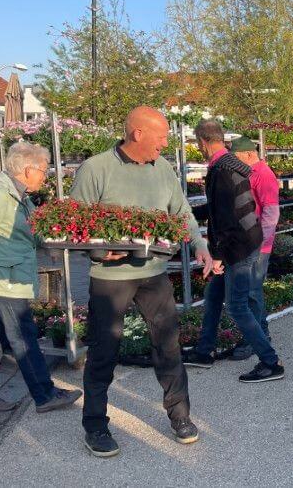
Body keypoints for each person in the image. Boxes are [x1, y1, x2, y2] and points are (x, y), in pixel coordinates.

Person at [70, 106, 213, 458]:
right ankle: (96, 426)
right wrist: (101, 253)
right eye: (161, 136)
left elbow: (181, 212)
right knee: (104, 351)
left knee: (168, 346)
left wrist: (201, 247)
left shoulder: (163, 168)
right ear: (137, 134)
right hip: (110, 279)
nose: (166, 143)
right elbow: (74, 225)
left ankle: (180, 416)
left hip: (153, 274)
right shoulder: (96, 168)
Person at [0, 143, 83, 415]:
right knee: (23, 336)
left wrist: (53, 245)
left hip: (8, 276)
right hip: (3, 278)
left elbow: (32, 231)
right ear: (28, 170)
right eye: (44, 171)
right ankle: (45, 394)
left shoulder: (19, 196)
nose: (45, 177)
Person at [182, 121, 284, 384]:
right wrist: (188, 214)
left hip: (238, 247)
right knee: (214, 295)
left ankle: (270, 362)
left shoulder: (221, 170)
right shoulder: (231, 165)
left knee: (238, 305)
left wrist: (216, 255)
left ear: (202, 143)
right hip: (242, 243)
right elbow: (219, 208)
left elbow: (226, 218)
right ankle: (204, 351)